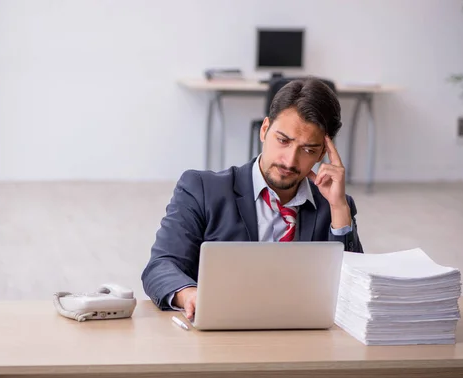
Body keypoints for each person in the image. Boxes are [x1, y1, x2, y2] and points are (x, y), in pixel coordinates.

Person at [141, 77, 364, 319]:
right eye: (283, 141)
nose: (290, 161)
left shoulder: (334, 207)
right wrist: (190, 295)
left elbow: (358, 291)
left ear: (323, 152)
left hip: (303, 335)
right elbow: (160, 267)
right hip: (223, 335)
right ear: (265, 129)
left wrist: (339, 207)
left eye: (308, 150)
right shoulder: (202, 189)